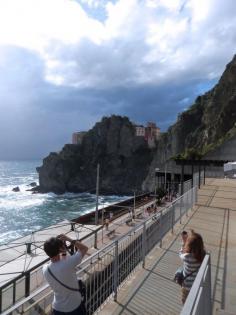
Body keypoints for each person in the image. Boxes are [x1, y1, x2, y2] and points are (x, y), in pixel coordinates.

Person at [43, 234, 88, 315]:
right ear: (60, 249)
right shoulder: (69, 263)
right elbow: (84, 248)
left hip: (58, 308)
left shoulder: (45, 269)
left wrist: (62, 251)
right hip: (74, 306)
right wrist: (68, 239)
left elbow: (62, 263)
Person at [179, 231, 206, 304]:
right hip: (196, 284)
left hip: (186, 285)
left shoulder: (187, 257)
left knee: (185, 301)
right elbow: (201, 249)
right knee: (194, 301)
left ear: (189, 245)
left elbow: (181, 253)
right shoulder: (203, 255)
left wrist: (184, 243)